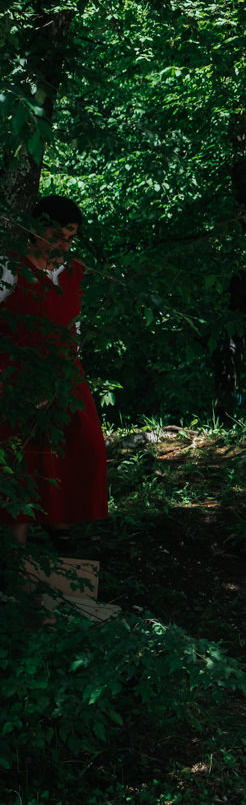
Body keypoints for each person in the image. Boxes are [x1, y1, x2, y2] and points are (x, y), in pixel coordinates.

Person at [0, 196, 109, 550]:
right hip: (15, 373)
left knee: (84, 443)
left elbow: (74, 325)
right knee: (18, 451)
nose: (63, 245)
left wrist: (69, 370)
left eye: (69, 238)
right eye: (56, 236)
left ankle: (59, 523)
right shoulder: (8, 267)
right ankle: (16, 544)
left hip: (64, 372)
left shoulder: (74, 271)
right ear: (35, 230)